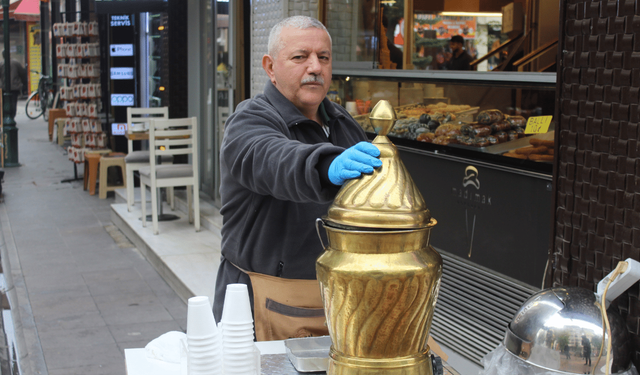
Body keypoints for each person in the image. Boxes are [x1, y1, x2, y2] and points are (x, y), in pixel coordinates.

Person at [213, 16, 381, 340]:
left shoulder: (345, 124)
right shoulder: (249, 120)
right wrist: (325, 166)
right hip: (258, 300)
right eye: (300, 57)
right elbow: (271, 159)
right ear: (270, 66)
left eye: (324, 57)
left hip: (336, 299)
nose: (315, 67)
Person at [0, 51, 27, 118]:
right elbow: (22, 74)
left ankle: (5, 116)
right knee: (13, 102)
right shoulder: (16, 63)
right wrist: (24, 84)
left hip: (4, 87)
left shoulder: (1, 64)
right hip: (15, 87)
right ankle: (12, 116)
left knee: (4, 102)